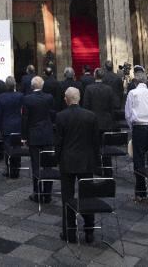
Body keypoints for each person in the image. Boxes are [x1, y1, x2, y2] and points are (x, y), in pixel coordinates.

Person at [54, 87, 99, 244]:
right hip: (86, 161)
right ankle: (89, 231)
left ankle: (69, 233)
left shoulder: (61, 116)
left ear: (66, 99)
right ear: (79, 99)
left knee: (67, 197)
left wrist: (57, 158)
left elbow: (58, 142)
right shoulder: (91, 116)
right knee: (87, 196)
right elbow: (95, 142)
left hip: (67, 161)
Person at [125, 72, 148, 201]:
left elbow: (128, 113)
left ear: (135, 82)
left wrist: (132, 127)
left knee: (138, 159)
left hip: (139, 127)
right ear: (145, 82)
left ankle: (141, 193)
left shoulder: (132, 93)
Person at [21, 75, 54, 203]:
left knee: (35, 165)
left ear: (32, 86)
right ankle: (48, 193)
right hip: (47, 134)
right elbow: (51, 113)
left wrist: (23, 136)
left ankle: (37, 192)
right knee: (48, 165)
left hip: (34, 135)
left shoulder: (27, 99)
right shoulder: (49, 97)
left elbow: (25, 119)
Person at [0, 76, 24, 177]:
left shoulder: (0, 97)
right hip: (17, 125)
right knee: (17, 147)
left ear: (6, 85)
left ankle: (9, 169)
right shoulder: (20, 96)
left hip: (6, 126)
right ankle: (17, 169)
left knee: (8, 149)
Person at [82, 68, 116, 135]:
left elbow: (86, 105)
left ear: (94, 75)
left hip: (92, 120)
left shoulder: (89, 88)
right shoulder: (108, 89)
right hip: (106, 120)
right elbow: (111, 105)